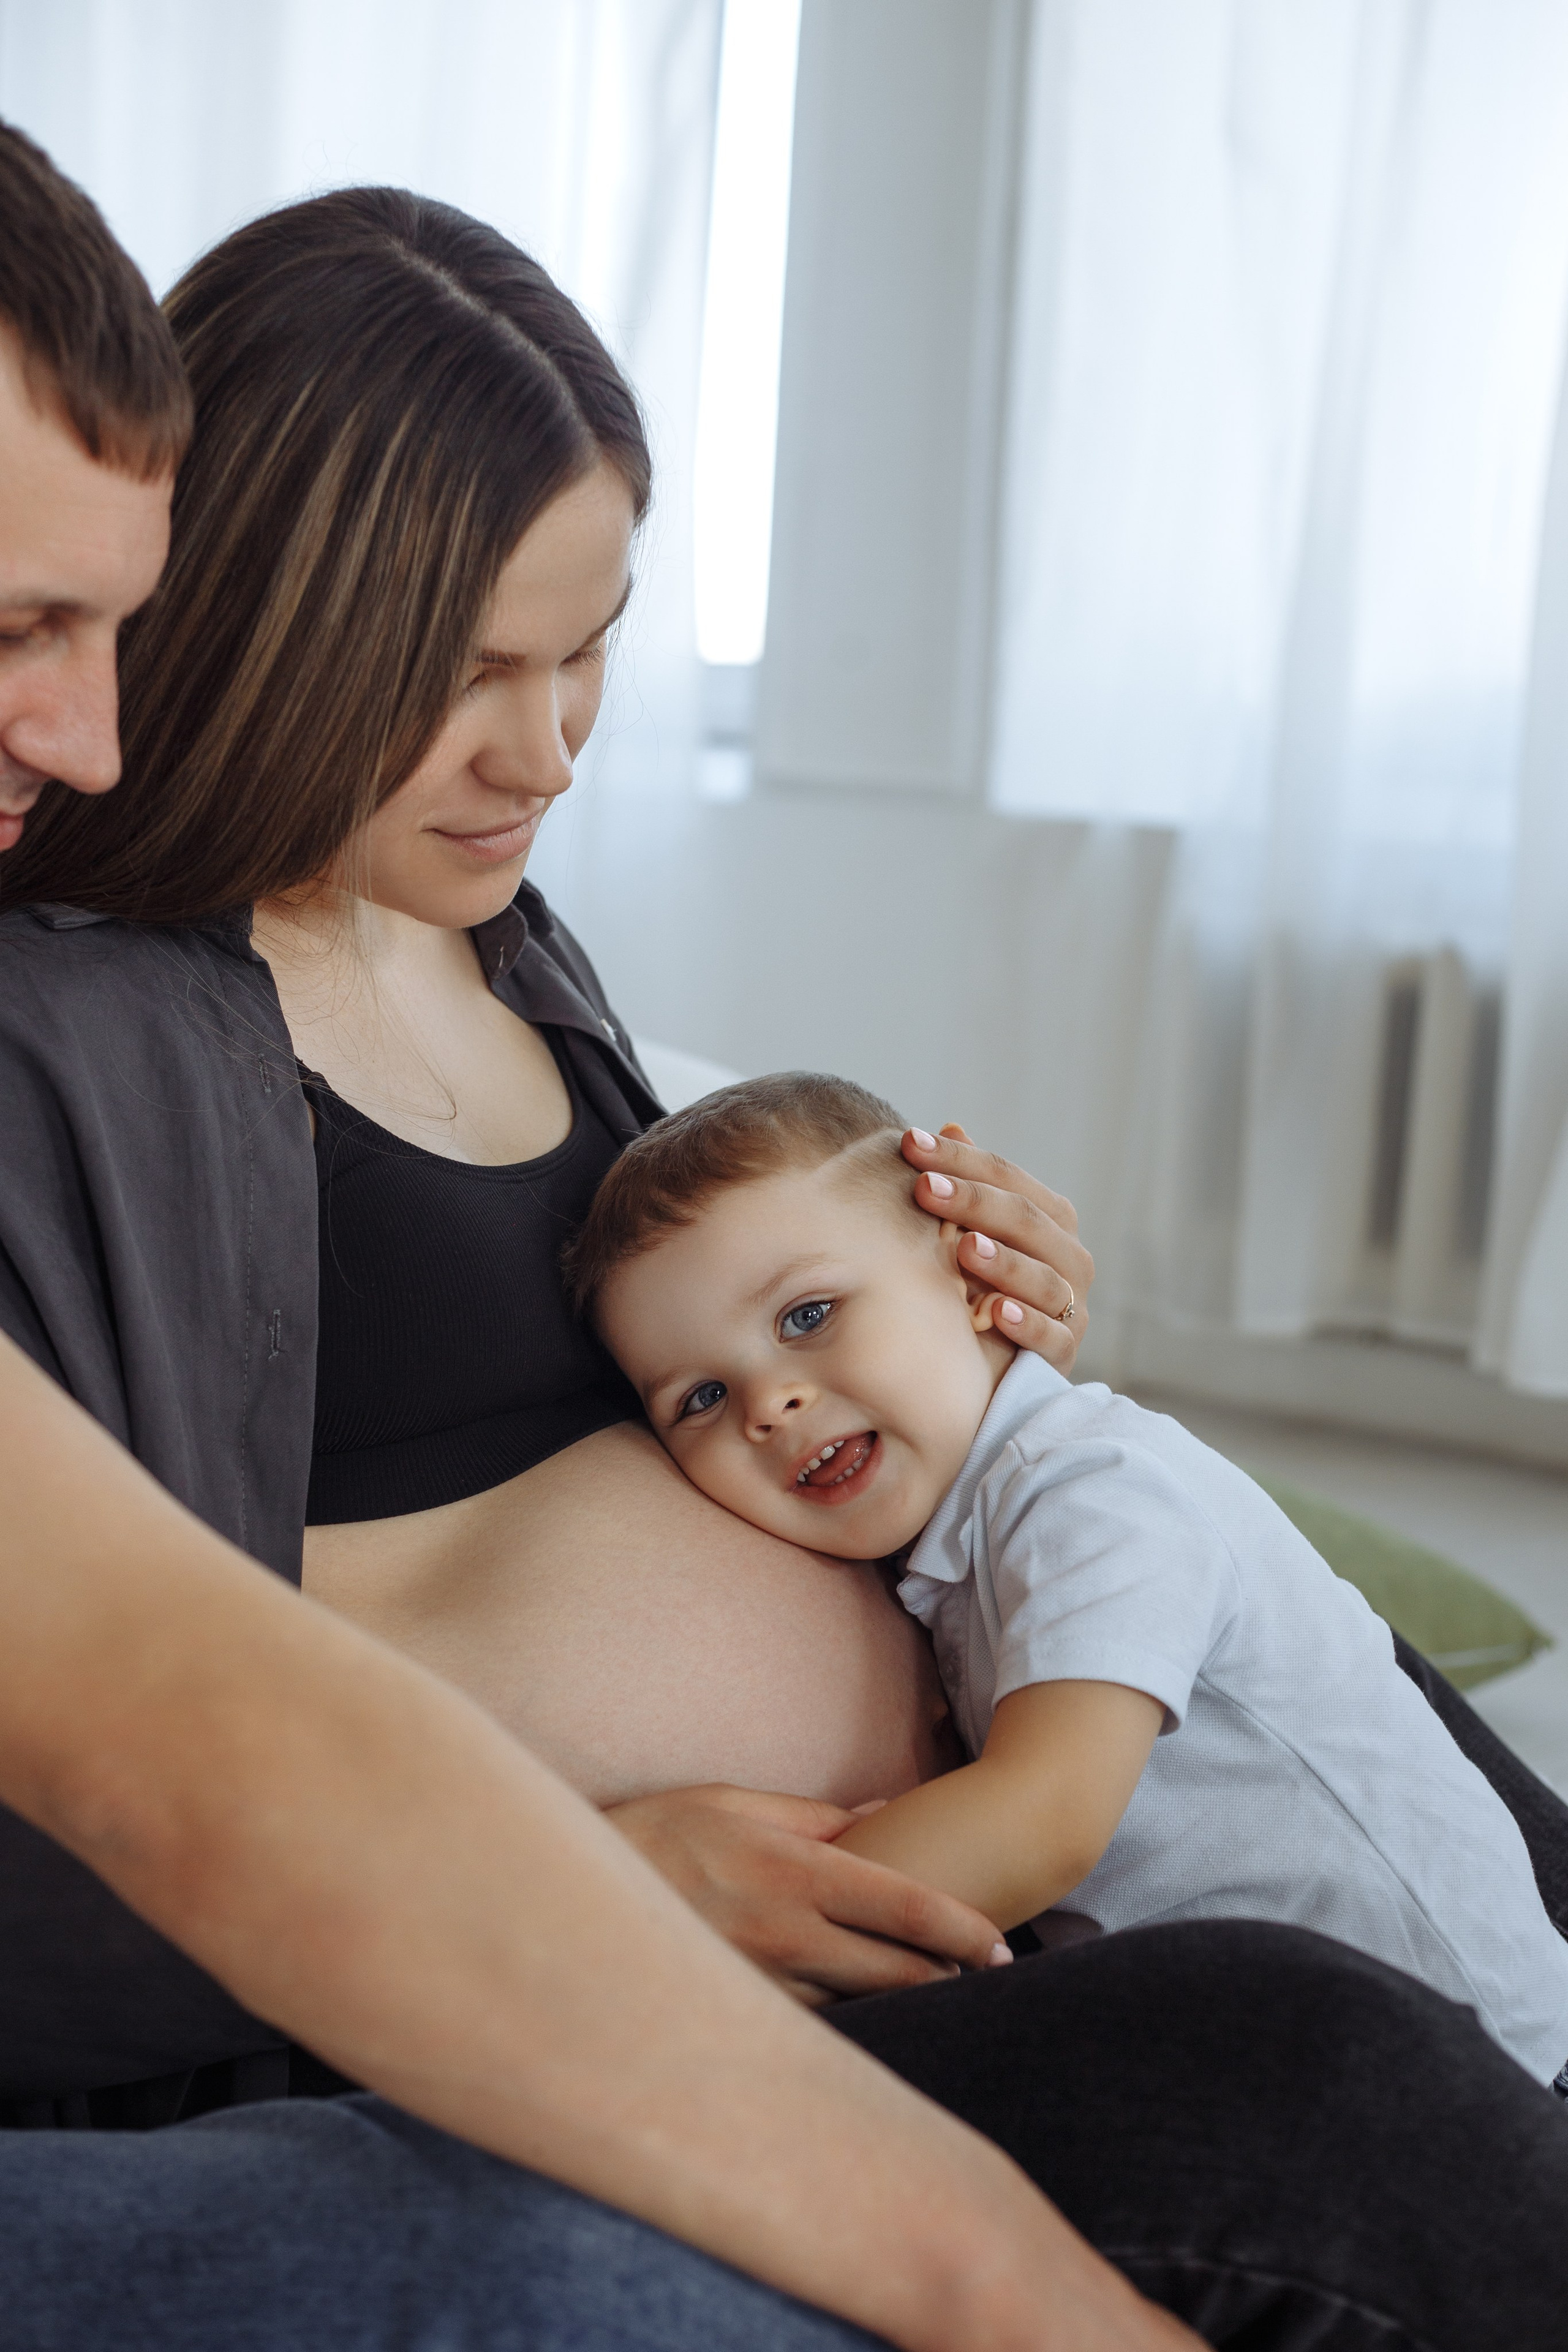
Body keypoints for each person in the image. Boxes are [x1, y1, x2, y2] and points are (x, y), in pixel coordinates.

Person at [4, 135, 1568, 2352]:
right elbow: (117, 1731)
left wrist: (953, 1341)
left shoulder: (511, 946)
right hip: (588, 1964)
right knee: (1320, 2088)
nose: (546, 750)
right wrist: (580, 1884)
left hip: (966, 1805)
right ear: (269, 610)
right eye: (468, 671)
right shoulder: (68, 1038)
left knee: (1316, 1659)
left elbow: (716, 1352)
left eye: (595, 655)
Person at [573, 1069, 1568, 2085]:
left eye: (807, 1316)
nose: (769, 1404)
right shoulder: (952, 1551)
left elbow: (1040, 1821)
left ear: (971, 1277)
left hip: (1486, 2069)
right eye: (699, 1396)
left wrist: (684, 1951)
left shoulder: (1091, 1490)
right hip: (1288, 2048)